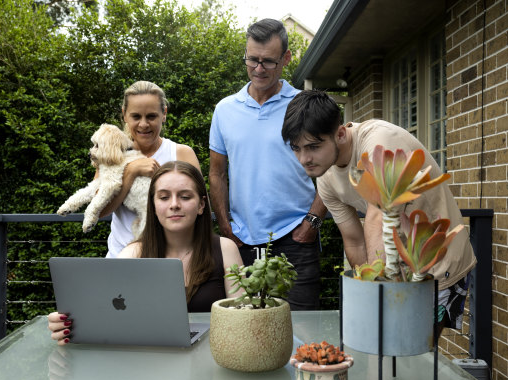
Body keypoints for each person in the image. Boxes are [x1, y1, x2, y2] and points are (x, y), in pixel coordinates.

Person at [281, 90, 477, 334]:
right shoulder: (326, 176)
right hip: (393, 267)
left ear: (340, 134)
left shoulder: (380, 141)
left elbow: (377, 218)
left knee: (414, 356)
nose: (304, 159)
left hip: (436, 259)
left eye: (313, 147)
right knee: (382, 354)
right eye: (296, 148)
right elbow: (353, 240)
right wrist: (366, 291)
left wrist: (377, 296)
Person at [48, 161, 244, 345]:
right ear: (153, 205)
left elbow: (243, 320)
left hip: (214, 359)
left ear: (201, 205)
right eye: (164, 197)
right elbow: (103, 314)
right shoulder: (132, 254)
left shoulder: (225, 249)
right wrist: (69, 326)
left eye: (185, 196)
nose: (174, 204)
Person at [209, 18, 326, 311]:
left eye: (269, 61)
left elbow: (331, 168)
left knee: (301, 328)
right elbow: (217, 173)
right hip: (242, 242)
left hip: (296, 239)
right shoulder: (225, 110)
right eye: (252, 60)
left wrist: (312, 222)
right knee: (247, 330)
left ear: (286, 58)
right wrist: (225, 226)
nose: (259, 69)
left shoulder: (303, 103)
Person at [100, 80, 201, 258]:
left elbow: (200, 210)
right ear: (124, 115)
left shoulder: (182, 154)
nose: (144, 124)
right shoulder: (112, 155)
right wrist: (131, 172)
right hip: (120, 259)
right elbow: (99, 211)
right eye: (136, 116)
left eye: (151, 116)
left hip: (172, 261)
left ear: (164, 114)